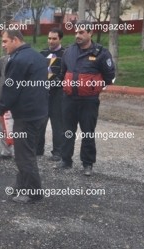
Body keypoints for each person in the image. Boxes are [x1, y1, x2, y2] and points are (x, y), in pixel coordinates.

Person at [0, 29, 48, 203]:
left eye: (5, 41)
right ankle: (20, 186)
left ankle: (33, 192)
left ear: (15, 40)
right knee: (25, 152)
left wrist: (0, 110)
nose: (3, 46)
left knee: (24, 155)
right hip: (39, 113)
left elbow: (10, 89)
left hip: (26, 115)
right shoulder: (38, 56)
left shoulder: (18, 60)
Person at [57, 20, 115, 176]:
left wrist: (92, 88)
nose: (78, 35)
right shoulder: (69, 51)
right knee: (67, 130)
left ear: (90, 33)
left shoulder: (101, 53)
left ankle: (87, 164)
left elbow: (109, 76)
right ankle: (65, 160)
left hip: (89, 101)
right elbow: (62, 74)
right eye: (76, 32)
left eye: (82, 32)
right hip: (69, 99)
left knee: (88, 132)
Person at [37, 28, 65, 161]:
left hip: (58, 94)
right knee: (40, 122)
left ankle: (57, 152)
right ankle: (38, 149)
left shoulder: (65, 54)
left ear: (60, 39)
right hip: (42, 94)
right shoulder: (42, 53)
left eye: (54, 38)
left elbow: (65, 73)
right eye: (49, 38)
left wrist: (53, 84)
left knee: (57, 124)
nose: (51, 41)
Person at [0, 52, 14, 159]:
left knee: (16, 124)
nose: (4, 45)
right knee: (3, 124)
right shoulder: (2, 60)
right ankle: (6, 151)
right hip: (2, 96)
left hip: (16, 98)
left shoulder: (21, 59)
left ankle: (18, 151)